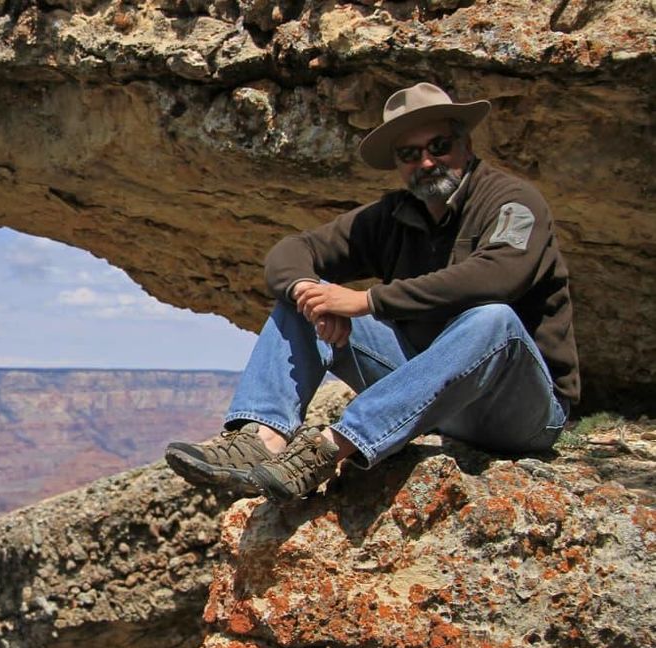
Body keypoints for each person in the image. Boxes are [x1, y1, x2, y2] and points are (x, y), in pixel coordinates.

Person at [165, 82, 579, 502]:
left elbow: (499, 275)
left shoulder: (511, 201)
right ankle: (260, 439)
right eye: (410, 154)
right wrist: (311, 293)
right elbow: (292, 251)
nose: (427, 161)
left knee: (494, 319)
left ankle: (329, 449)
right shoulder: (395, 216)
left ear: (466, 144)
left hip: (519, 411)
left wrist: (367, 301)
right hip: (435, 402)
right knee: (305, 296)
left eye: (439, 146)